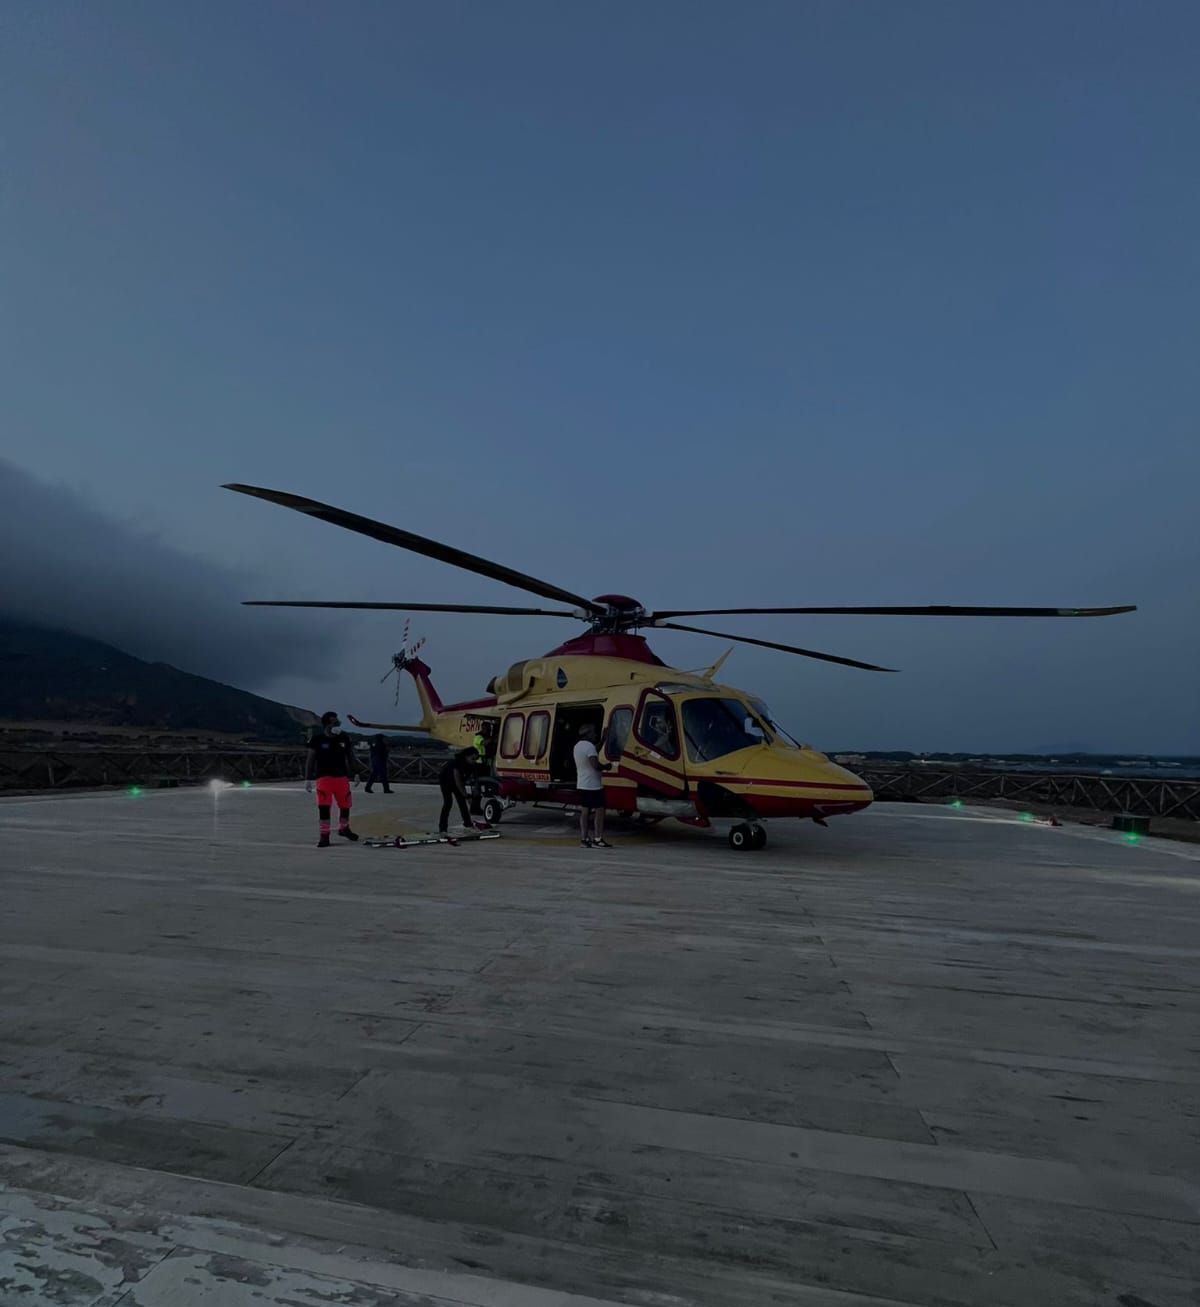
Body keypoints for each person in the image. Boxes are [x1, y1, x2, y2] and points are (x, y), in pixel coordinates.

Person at [305, 712, 362, 847]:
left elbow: (350, 756)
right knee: (324, 807)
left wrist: (356, 773)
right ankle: (324, 836)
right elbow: (310, 760)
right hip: (324, 778)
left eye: (338, 723)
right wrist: (307, 778)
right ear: (326, 725)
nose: (337, 725)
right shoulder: (317, 740)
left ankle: (344, 829)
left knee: (345, 805)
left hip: (341, 778)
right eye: (334, 723)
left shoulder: (344, 738)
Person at [573, 724, 612, 848]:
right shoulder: (589, 747)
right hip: (593, 785)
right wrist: (606, 767)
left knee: (585, 811)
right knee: (600, 810)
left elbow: (594, 751)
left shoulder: (578, 746)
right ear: (588, 734)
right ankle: (598, 838)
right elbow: (595, 764)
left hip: (582, 783)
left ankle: (584, 839)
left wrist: (603, 740)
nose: (594, 735)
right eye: (593, 733)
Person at [438, 747, 483, 835]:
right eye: (472, 758)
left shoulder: (471, 766)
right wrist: (466, 796)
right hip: (446, 781)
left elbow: (475, 780)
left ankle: (467, 823)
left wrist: (474, 793)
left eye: (476, 759)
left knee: (462, 803)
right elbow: (458, 781)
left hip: (457, 782)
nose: (474, 761)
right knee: (448, 803)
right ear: (466, 756)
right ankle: (442, 828)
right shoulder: (457, 763)